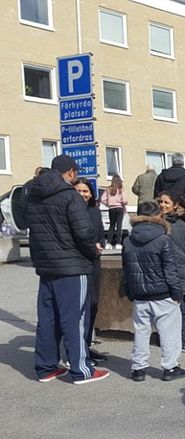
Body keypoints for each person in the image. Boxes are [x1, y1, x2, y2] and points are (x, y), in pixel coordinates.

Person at [25, 155, 107, 384]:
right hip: (71, 266)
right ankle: (82, 370)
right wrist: (93, 251)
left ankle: (46, 367)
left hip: (46, 265)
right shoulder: (69, 195)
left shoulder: (33, 194)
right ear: (70, 172)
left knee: (48, 319)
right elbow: (83, 232)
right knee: (75, 319)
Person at [121, 201, 185, 382]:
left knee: (141, 331)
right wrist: (177, 292)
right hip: (162, 293)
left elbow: (126, 269)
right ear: (158, 216)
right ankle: (170, 367)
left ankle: (138, 368)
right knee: (169, 332)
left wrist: (129, 291)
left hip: (140, 294)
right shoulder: (163, 239)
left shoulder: (128, 240)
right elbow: (170, 269)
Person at [73, 177, 108, 364]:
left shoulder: (94, 211)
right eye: (78, 190)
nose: (82, 194)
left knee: (93, 304)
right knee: (80, 307)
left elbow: (101, 234)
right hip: (78, 263)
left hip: (94, 262)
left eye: (85, 191)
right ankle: (77, 351)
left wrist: (100, 244)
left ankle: (86, 345)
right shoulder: (69, 211)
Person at [158, 191, 185, 353]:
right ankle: (177, 339)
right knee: (173, 309)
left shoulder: (182, 223)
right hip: (170, 269)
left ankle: (182, 337)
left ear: (175, 205)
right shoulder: (158, 224)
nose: (162, 205)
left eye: (166, 202)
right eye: (160, 202)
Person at [100, 174, 128, 249]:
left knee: (112, 225)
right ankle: (118, 243)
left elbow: (102, 199)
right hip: (119, 208)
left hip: (111, 208)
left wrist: (108, 203)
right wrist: (123, 202)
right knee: (119, 226)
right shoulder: (121, 189)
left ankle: (108, 243)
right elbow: (125, 200)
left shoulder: (108, 189)